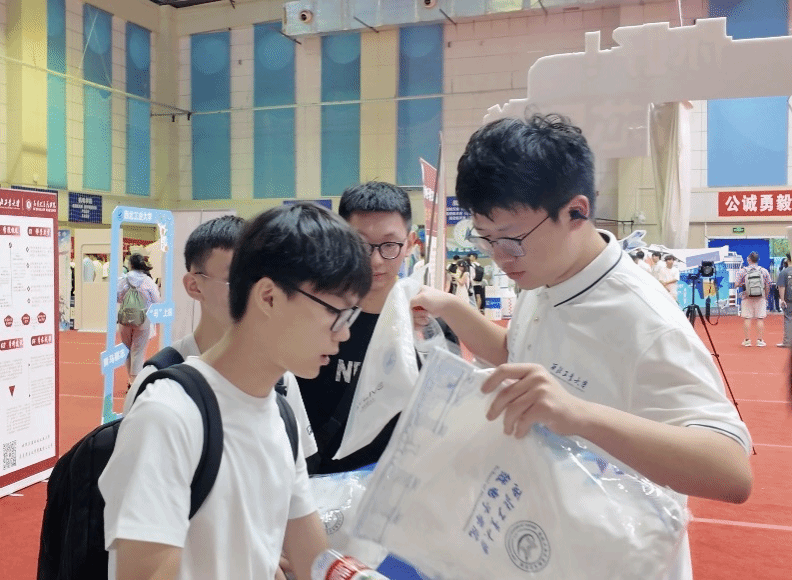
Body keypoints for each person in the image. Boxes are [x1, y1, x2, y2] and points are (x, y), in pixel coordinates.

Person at [411, 114, 752, 580]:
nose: (501, 257)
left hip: (618, 559)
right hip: (544, 542)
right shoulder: (546, 276)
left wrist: (578, 414)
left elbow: (731, 471)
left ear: (576, 211)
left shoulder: (643, 319)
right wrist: (450, 307)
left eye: (512, 239)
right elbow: (519, 354)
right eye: (486, 239)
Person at [99, 203, 372, 580]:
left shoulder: (280, 414)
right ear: (268, 297)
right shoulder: (168, 414)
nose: (344, 333)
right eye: (335, 312)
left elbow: (312, 559)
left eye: (351, 315)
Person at [297, 181, 456, 475]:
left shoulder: (432, 323)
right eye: (360, 245)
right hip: (325, 483)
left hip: (402, 485)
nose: (375, 260)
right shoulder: (315, 316)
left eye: (390, 245)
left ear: (410, 243)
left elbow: (447, 412)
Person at [117, 253, 161, 388]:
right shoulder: (148, 281)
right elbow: (156, 300)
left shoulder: (123, 279)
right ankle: (134, 382)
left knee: (127, 349)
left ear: (130, 264)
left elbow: (117, 297)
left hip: (125, 318)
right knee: (138, 350)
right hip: (143, 319)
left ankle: (130, 379)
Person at [735, 252, 772, 347]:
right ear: (758, 260)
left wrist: (743, 284)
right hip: (760, 297)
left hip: (746, 297)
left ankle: (747, 341)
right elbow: (768, 284)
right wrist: (765, 296)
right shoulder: (764, 271)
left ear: (749, 259)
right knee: (760, 318)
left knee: (747, 318)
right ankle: (760, 340)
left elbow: (736, 284)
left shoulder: (742, 271)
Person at [776, 253, 791, 348]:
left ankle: (787, 341)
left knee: (788, 319)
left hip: (789, 299)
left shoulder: (784, 272)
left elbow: (781, 286)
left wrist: (782, 300)